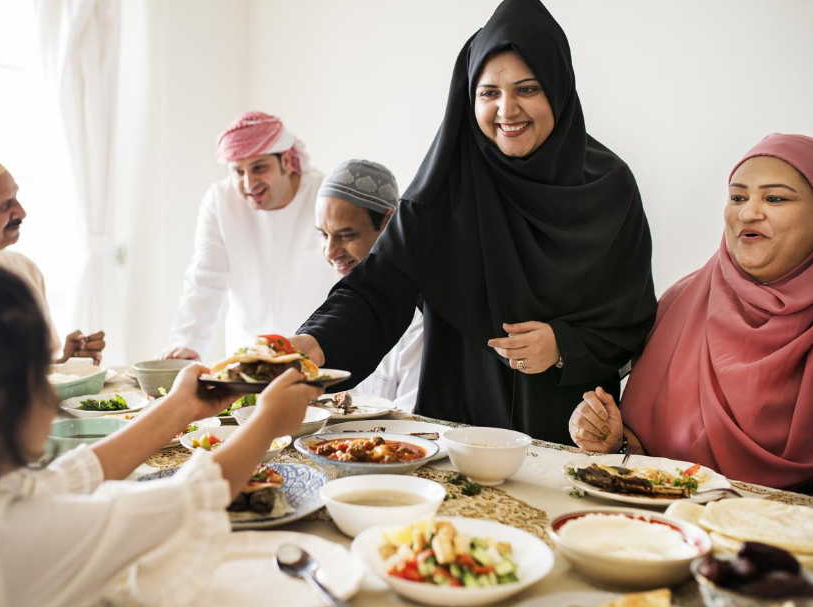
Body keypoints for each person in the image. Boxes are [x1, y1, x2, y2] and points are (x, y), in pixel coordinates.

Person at [293, 0, 656, 444]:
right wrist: (315, 344)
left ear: (558, 88)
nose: (507, 110)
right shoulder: (442, 189)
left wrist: (563, 346)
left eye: (527, 89)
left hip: (566, 428)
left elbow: (630, 317)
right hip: (457, 425)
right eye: (489, 93)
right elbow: (375, 292)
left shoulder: (609, 189)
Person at [0, 265, 320, 607]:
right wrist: (268, 421)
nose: (53, 394)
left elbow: (72, 477)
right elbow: (186, 499)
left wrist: (179, 407)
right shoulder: (14, 537)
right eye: (43, 370)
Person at [568, 133, 813, 491]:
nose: (748, 212)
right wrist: (611, 441)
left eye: (774, 198)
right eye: (737, 197)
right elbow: (645, 449)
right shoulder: (680, 304)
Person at [162, 112, 336, 362]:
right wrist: (188, 342)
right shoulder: (220, 200)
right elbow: (205, 278)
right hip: (247, 356)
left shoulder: (325, 197)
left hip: (318, 353)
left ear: (286, 161)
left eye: (259, 168)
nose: (248, 183)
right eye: (238, 172)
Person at [315, 159, 423, 412]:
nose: (331, 251)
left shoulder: (420, 320)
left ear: (389, 223)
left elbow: (415, 425)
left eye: (347, 235)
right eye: (323, 234)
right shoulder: (333, 301)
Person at [0, 156, 106, 364]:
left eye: (16, 198)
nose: (22, 213)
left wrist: (67, 362)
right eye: (5, 205)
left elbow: (33, 370)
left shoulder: (24, 269)